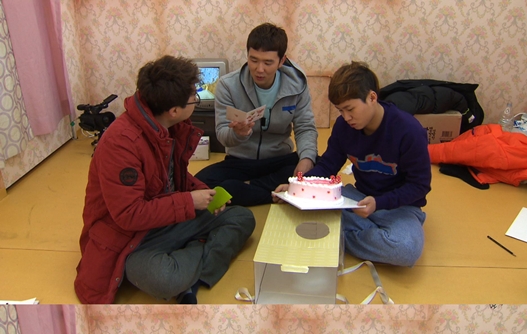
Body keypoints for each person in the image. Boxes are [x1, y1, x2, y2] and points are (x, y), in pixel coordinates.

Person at [74, 55, 255, 304]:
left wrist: (202, 191)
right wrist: (189, 202)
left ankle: (189, 271)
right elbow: (129, 215)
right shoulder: (121, 143)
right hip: (132, 237)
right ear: (174, 110)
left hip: (167, 216)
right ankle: (198, 257)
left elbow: (170, 177)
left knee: (242, 217)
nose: (196, 101)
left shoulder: (168, 125)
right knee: (163, 279)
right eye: (194, 97)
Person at [276, 61, 431, 266]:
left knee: (406, 249)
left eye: (350, 109)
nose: (346, 117)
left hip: (399, 207)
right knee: (299, 210)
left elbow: (419, 186)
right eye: (340, 111)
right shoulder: (343, 127)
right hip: (358, 200)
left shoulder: (409, 131)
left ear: (372, 97)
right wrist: (297, 187)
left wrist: (379, 203)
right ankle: (364, 236)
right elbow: (328, 165)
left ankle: (337, 236)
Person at [194, 23, 318, 207]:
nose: (260, 69)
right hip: (240, 162)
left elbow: (305, 127)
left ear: (281, 61)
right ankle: (278, 192)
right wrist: (238, 134)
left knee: (318, 165)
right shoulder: (228, 85)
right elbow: (222, 134)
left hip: (279, 160)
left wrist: (306, 160)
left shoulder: (297, 85)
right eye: (254, 60)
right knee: (199, 184)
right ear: (247, 55)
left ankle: (244, 189)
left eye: (268, 63)